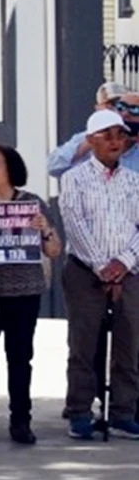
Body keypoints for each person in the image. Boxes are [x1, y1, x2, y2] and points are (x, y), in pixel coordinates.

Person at [0, 144, 61, 445]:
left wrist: (44, 230)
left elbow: (55, 250)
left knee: (19, 358)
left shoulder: (32, 204)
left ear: (11, 170)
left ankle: (21, 421)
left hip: (23, 292)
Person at [60, 109, 139, 440]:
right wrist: (102, 267)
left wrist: (123, 262)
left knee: (129, 342)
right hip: (84, 269)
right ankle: (80, 411)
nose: (114, 141)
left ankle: (124, 412)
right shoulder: (74, 179)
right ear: (91, 140)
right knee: (84, 343)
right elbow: (74, 224)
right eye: (106, 135)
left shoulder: (134, 180)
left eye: (120, 135)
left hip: (130, 270)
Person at [48, 84, 139, 179]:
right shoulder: (86, 138)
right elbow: (53, 167)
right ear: (98, 108)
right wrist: (88, 144)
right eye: (120, 107)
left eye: (134, 109)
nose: (124, 113)